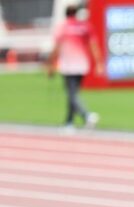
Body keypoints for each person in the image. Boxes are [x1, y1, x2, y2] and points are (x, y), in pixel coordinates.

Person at [47, 4, 103, 133]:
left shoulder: (63, 27)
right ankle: (69, 122)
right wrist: (99, 63)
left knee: (72, 94)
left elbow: (56, 48)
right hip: (82, 64)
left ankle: (87, 115)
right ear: (76, 13)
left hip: (68, 64)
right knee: (73, 93)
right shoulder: (85, 26)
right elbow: (94, 45)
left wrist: (50, 64)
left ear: (66, 14)